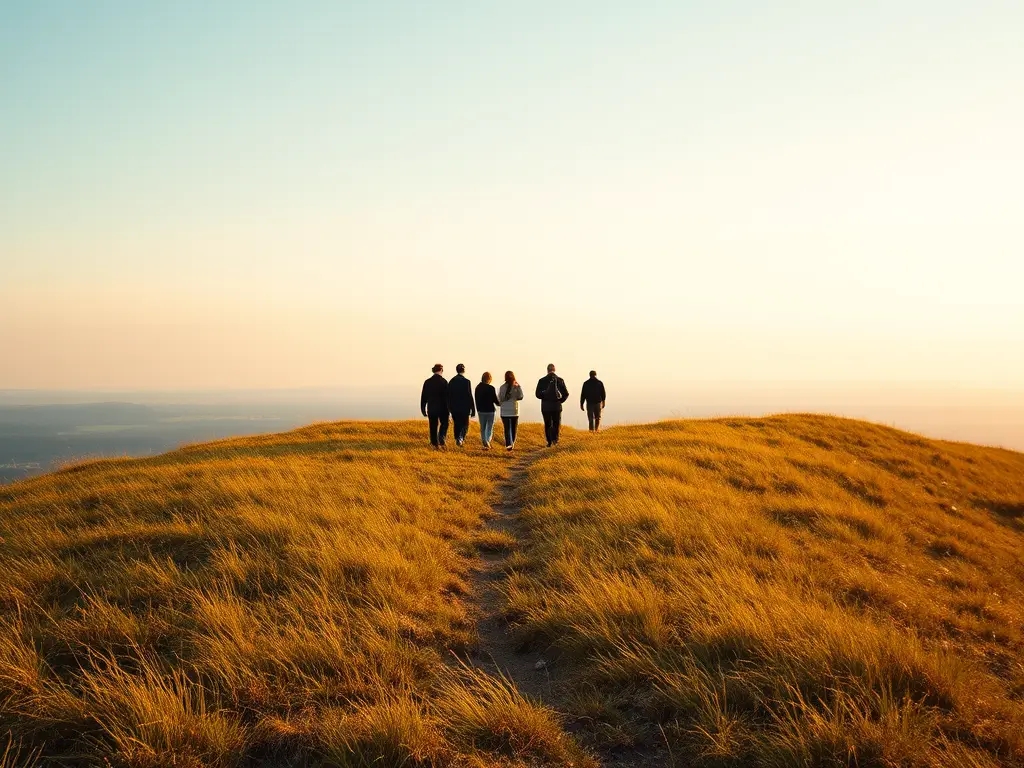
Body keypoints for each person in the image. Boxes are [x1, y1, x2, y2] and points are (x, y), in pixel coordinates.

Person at [536, 363, 570, 447]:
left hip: (546, 407)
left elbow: (537, 394)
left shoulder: (542, 380)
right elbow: (566, 393)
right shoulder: (560, 380)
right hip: (556, 407)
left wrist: (544, 395)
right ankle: (555, 440)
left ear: (547, 370)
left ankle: (549, 441)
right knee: (556, 423)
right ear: (554, 370)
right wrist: (560, 401)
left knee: (547, 424)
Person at [420, 363, 449, 449]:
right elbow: (447, 397)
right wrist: (449, 408)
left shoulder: (427, 382)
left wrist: (423, 408)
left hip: (431, 407)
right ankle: (441, 438)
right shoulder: (444, 382)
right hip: (443, 408)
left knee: (433, 426)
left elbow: (424, 397)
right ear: (441, 370)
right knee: (444, 423)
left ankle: (434, 443)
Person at [448, 363, 475, 446]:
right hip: (464, 408)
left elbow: (448, 396)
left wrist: (449, 408)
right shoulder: (467, 382)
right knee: (465, 424)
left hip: (454, 408)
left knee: (456, 424)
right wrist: (473, 409)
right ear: (464, 370)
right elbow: (469, 395)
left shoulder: (451, 381)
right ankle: (461, 438)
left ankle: (457, 438)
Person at [498, 370, 524, 451]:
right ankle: (512, 443)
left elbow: (500, 399)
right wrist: (518, 387)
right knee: (513, 429)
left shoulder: (502, 387)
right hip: (514, 411)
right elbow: (521, 397)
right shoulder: (516, 386)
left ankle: (509, 444)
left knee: (507, 429)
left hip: (505, 411)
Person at [475, 372, 500, 449]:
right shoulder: (491, 388)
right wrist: (500, 403)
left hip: (481, 411)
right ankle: (487, 441)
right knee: (490, 427)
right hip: (490, 410)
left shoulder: (477, 388)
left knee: (482, 427)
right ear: (489, 379)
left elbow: (476, 400)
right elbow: (495, 400)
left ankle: (484, 441)